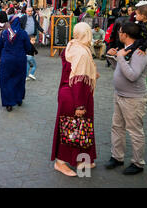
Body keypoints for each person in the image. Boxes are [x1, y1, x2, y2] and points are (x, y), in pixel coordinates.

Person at [51, 23, 98, 177]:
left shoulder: (72, 45)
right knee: (71, 129)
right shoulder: (82, 52)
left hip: (67, 93)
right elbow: (78, 80)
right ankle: (60, 162)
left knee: (77, 128)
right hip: (75, 96)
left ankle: (79, 159)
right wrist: (79, 105)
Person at [105, 22, 147, 175]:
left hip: (134, 99)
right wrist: (113, 57)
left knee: (134, 131)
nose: (118, 33)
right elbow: (120, 68)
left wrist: (120, 58)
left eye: (119, 31)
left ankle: (138, 163)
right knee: (117, 127)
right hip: (120, 95)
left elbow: (132, 76)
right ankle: (117, 157)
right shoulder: (126, 49)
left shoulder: (140, 52)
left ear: (125, 34)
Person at [0, 16, 31, 112]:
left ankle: (8, 103)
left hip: (6, 60)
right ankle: (18, 99)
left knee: (6, 81)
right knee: (19, 80)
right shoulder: (23, 33)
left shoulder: (4, 33)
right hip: (20, 60)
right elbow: (28, 47)